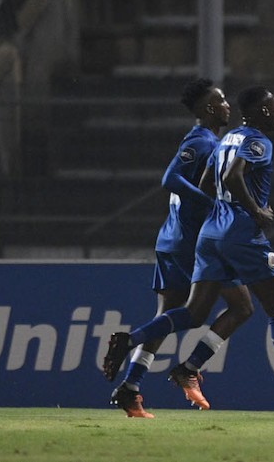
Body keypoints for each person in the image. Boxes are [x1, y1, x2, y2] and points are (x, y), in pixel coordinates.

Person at [104, 86, 274, 417]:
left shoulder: (225, 139)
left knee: (190, 313)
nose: (226, 105)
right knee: (271, 308)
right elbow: (202, 177)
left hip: (204, 236)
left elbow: (208, 183)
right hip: (213, 236)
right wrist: (253, 210)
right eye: (219, 101)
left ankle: (133, 364)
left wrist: (218, 209)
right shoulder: (215, 141)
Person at [107, 78, 242, 418]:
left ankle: (130, 388)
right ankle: (184, 365)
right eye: (222, 100)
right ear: (209, 107)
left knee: (167, 316)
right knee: (241, 306)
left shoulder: (207, 140)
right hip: (191, 242)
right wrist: (210, 204)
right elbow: (170, 178)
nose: (227, 105)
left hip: (173, 238)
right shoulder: (200, 141)